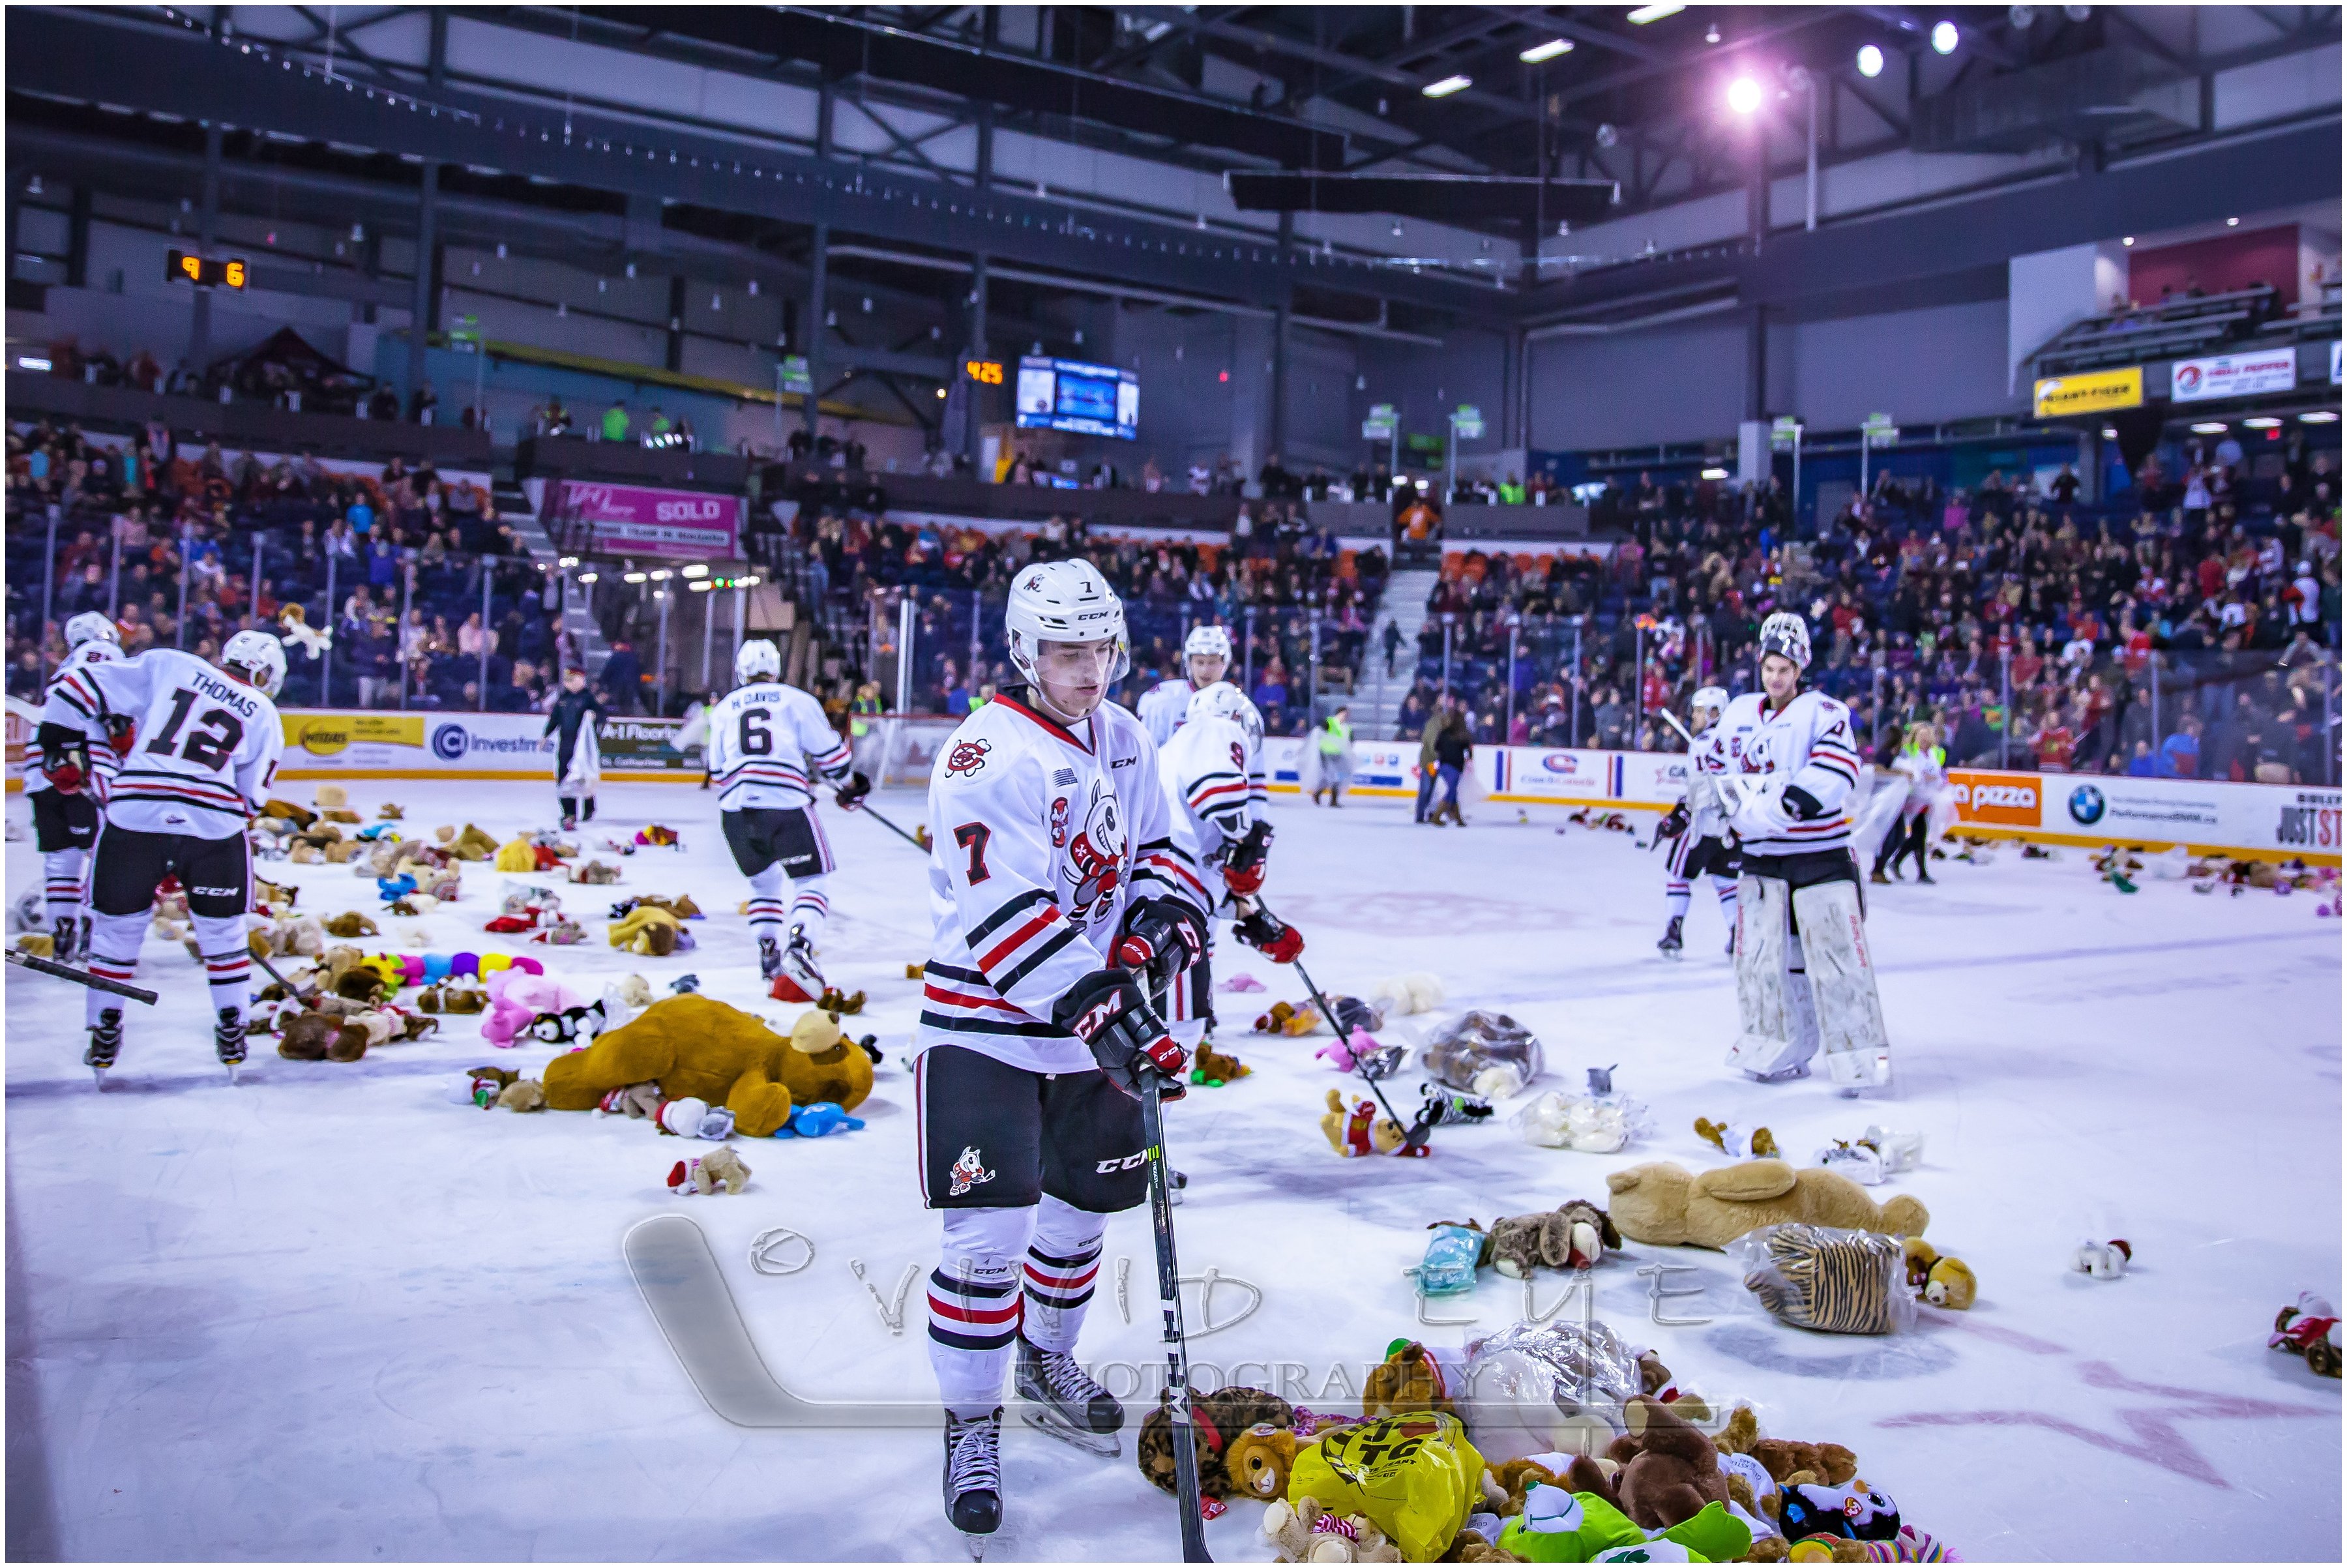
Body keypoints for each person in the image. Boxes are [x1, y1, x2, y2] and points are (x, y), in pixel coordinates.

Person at [915, 559, 1205, 1547]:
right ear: (1022, 652)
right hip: (989, 1031)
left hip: (1094, 1022)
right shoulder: (984, 756)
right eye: (1066, 651)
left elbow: (1165, 847)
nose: (1089, 670)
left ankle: (1047, 1359)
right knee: (987, 1245)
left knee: (1082, 1215)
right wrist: (1102, 1002)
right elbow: (1006, 913)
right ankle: (969, 1424)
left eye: (1101, 648)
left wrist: (1158, 926)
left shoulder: (1123, 734)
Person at [37, 630, 288, 1078]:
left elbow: (75, 687)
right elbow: (250, 800)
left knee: (116, 932)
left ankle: (103, 1027)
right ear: (268, 675)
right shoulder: (265, 712)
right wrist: (186, 849)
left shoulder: (171, 664)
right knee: (223, 932)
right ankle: (232, 1024)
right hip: (213, 829)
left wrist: (59, 747)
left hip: (136, 815)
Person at [1711, 612, 1889, 1095]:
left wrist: (1788, 804)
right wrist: (1723, 810)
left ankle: (1855, 1050)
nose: (1776, 677)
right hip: (1762, 859)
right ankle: (1776, 1041)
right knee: (1763, 958)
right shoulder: (1739, 713)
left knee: (1835, 957)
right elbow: (1717, 769)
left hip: (1819, 855)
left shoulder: (1823, 711)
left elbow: (1838, 767)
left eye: (1785, 668)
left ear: (1800, 668)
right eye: (1770, 667)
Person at [702, 638, 867, 1001]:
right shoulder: (796, 699)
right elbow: (832, 757)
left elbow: (715, 770)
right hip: (786, 807)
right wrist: (849, 787)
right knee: (811, 881)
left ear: (740, 671)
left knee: (764, 886)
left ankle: (769, 952)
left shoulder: (725, 708)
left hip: (735, 813)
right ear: (776, 669)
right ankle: (801, 945)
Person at [1147, 681, 1300, 1058]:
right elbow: (1219, 800)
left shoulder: (1180, 749)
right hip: (1172, 891)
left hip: (1167, 885)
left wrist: (1250, 916)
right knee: (1177, 1026)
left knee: (1171, 1016)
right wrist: (1249, 841)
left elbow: (1208, 871)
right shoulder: (1216, 729)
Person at [25, 612, 126, 963]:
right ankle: (89, 929)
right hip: (86, 763)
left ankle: (63, 932)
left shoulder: (63, 667)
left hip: (40, 769)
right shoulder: (106, 656)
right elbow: (118, 712)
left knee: (61, 858)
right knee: (104, 850)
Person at [1656, 687, 1739, 960]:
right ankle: (1737, 931)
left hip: (1701, 826)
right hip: (1731, 827)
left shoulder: (1700, 745)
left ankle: (1673, 929)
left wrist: (1677, 816)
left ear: (1715, 713)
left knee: (1677, 876)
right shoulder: (1737, 740)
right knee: (1725, 880)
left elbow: (1696, 790)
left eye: (1699, 711)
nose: (1694, 716)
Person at [1874, 722, 1949, 885]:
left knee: (1919, 833)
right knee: (1911, 834)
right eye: (1921, 736)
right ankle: (1892, 866)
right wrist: (1917, 776)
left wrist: (1940, 780)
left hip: (1927, 797)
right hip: (1910, 797)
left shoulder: (1937, 752)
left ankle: (1904, 866)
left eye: (1927, 736)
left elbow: (1942, 771)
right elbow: (1903, 769)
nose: (1924, 739)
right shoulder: (1908, 751)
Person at [1136, 624, 1231, 748]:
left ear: (1225, 663)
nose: (1205, 670)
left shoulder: (1235, 704)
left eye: (1212, 663)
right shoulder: (1164, 699)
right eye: (1200, 662)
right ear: (1189, 662)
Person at [544, 666, 606, 829]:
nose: (568, 683)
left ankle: (589, 806)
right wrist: (545, 735)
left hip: (582, 748)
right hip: (565, 745)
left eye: (572, 680)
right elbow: (554, 720)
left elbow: (602, 715)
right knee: (564, 779)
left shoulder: (588, 699)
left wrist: (595, 716)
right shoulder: (562, 700)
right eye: (567, 681)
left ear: (581, 680)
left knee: (584, 777)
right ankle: (569, 812)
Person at [1429, 706, 1473, 826]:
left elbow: (1436, 748)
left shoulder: (1443, 733)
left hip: (1443, 766)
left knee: (1453, 792)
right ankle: (1437, 816)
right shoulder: (1462, 735)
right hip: (1455, 767)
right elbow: (1468, 752)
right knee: (1451, 791)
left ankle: (1459, 819)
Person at [1312, 705, 1354, 807]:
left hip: (1339, 755)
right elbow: (1319, 732)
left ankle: (1333, 800)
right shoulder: (1329, 722)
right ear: (1338, 713)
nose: (1345, 716)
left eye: (1347, 715)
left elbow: (1351, 741)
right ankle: (1318, 793)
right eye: (1344, 714)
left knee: (1338, 777)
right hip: (1326, 753)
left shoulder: (1347, 728)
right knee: (1329, 776)